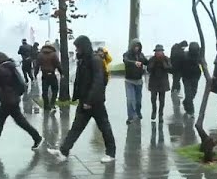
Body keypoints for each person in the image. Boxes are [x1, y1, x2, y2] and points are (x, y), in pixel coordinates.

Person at [47, 35, 116, 163]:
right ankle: (64, 151)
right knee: (76, 127)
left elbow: (98, 82)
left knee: (104, 126)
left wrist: (90, 101)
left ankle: (111, 153)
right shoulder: (83, 60)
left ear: (84, 47)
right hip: (85, 101)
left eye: (78, 47)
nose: (77, 50)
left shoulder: (95, 60)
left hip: (95, 102)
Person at [0, 53, 43, 150]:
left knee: (13, 121)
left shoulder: (4, 70)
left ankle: (37, 138)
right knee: (9, 121)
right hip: (10, 99)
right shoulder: (9, 67)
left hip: (9, 100)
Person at [123, 38, 149, 124]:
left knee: (138, 100)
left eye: (138, 46)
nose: (136, 48)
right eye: (135, 46)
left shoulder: (141, 55)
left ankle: (138, 112)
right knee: (130, 100)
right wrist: (134, 63)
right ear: (132, 46)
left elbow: (147, 62)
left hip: (138, 81)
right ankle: (130, 117)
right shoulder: (126, 54)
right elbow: (126, 61)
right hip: (129, 81)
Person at [34, 42, 63, 112]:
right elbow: (58, 64)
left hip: (44, 75)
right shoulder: (53, 54)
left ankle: (46, 106)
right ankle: (52, 104)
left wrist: (35, 74)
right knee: (55, 90)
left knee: (44, 91)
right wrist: (61, 73)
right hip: (52, 74)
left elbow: (37, 65)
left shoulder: (40, 55)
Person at [147, 45, 172, 123]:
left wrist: (164, 64)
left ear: (162, 52)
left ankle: (160, 114)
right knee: (153, 99)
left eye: (160, 51)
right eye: (157, 51)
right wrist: (153, 64)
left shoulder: (166, 59)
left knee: (162, 100)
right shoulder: (152, 59)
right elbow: (148, 69)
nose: (158, 53)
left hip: (163, 82)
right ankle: (154, 111)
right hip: (153, 82)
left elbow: (170, 68)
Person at [181, 42, 202, 117]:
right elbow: (179, 64)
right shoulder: (184, 55)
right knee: (188, 94)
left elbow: (203, 64)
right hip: (186, 77)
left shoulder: (199, 55)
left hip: (195, 76)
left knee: (193, 93)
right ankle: (191, 111)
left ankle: (186, 102)